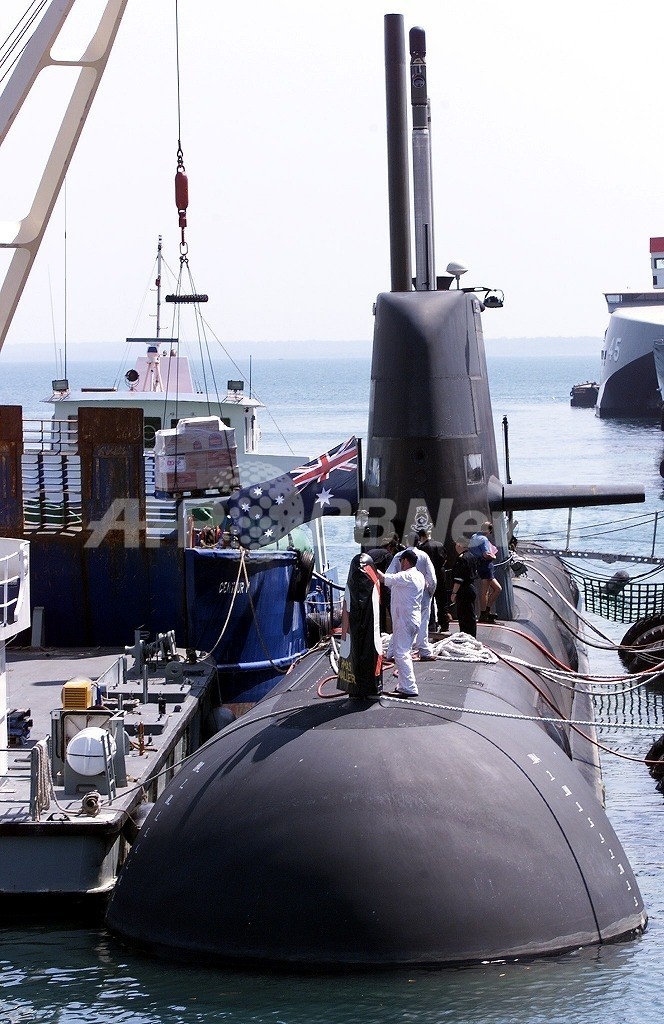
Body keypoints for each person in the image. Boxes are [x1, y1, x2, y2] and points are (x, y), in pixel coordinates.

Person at [376, 548, 424, 697]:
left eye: (401, 561)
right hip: (412, 619)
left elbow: (384, 579)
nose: (400, 564)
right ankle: (403, 684)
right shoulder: (419, 576)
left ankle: (409, 687)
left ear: (405, 561)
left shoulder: (407, 576)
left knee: (401, 653)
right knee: (403, 652)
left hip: (405, 620)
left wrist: (369, 566)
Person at [385, 543, 437, 659]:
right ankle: (424, 650)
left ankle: (392, 652)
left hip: (402, 595)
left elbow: (389, 575)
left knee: (399, 625)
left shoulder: (399, 555)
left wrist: (395, 589)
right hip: (421, 593)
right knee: (423, 623)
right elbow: (432, 578)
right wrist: (429, 593)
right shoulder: (424, 556)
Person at [468, 521, 502, 623]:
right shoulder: (483, 539)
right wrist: (494, 556)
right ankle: (483, 614)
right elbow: (486, 554)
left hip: (480, 566)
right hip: (486, 566)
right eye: (489, 532)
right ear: (487, 530)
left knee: (497, 588)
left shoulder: (474, 536)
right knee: (485, 592)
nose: (489, 534)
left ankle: (486, 611)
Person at [416, 528, 449, 631]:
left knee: (428, 601)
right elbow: (445, 559)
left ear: (421, 537)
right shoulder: (439, 544)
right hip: (441, 574)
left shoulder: (422, 548)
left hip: (429, 576)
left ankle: (431, 626)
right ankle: (444, 625)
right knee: (442, 601)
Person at [366, 536, 399, 631]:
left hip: (367, 584)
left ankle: (377, 631)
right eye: (392, 549)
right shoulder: (387, 555)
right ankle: (391, 630)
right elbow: (389, 574)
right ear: (389, 547)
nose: (392, 552)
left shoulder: (370, 553)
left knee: (376, 609)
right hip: (380, 584)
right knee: (389, 606)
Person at [450, 540, 478, 638]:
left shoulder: (461, 559)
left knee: (463, 616)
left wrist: (454, 593)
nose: (455, 547)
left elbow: (459, 579)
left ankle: (466, 637)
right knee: (470, 616)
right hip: (471, 588)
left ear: (461, 545)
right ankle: (471, 636)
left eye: (457, 545)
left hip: (464, 590)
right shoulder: (471, 556)